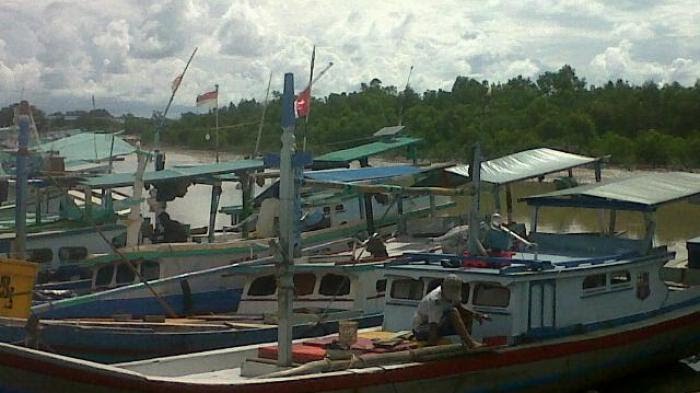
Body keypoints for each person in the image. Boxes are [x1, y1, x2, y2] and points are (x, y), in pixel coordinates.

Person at [412, 274, 489, 348]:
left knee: (467, 315)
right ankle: (470, 343)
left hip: (439, 324)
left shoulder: (454, 292)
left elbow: (459, 306)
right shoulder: (434, 300)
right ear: (442, 287)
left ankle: (465, 344)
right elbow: (433, 325)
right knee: (452, 312)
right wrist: (431, 346)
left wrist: (475, 314)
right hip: (421, 330)